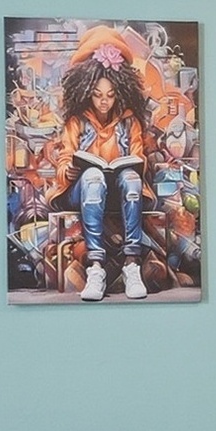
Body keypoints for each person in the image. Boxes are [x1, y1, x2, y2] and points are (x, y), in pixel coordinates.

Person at [53, 54, 154, 302]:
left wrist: (132, 165)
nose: (103, 101)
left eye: (110, 95)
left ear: (118, 93)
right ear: (88, 92)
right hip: (85, 190)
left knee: (131, 178)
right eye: (98, 94)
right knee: (93, 176)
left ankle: (132, 265)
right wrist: (69, 170)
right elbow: (64, 159)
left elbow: (140, 157)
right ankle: (96, 267)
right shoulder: (77, 121)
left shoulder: (130, 121)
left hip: (119, 189)